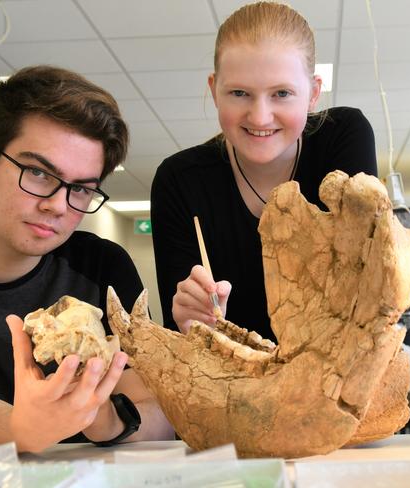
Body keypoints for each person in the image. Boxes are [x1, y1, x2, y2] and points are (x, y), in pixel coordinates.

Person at [0, 65, 174, 453]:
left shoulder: (101, 267)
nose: (58, 205)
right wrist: (26, 429)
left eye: (80, 189)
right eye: (38, 173)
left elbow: (158, 412)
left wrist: (104, 418)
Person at [152, 2, 377, 340]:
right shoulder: (180, 180)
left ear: (313, 93)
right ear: (214, 91)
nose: (259, 117)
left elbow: (366, 279)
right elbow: (185, 335)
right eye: (239, 93)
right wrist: (192, 321)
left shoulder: (343, 137)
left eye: (282, 93)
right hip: (232, 385)